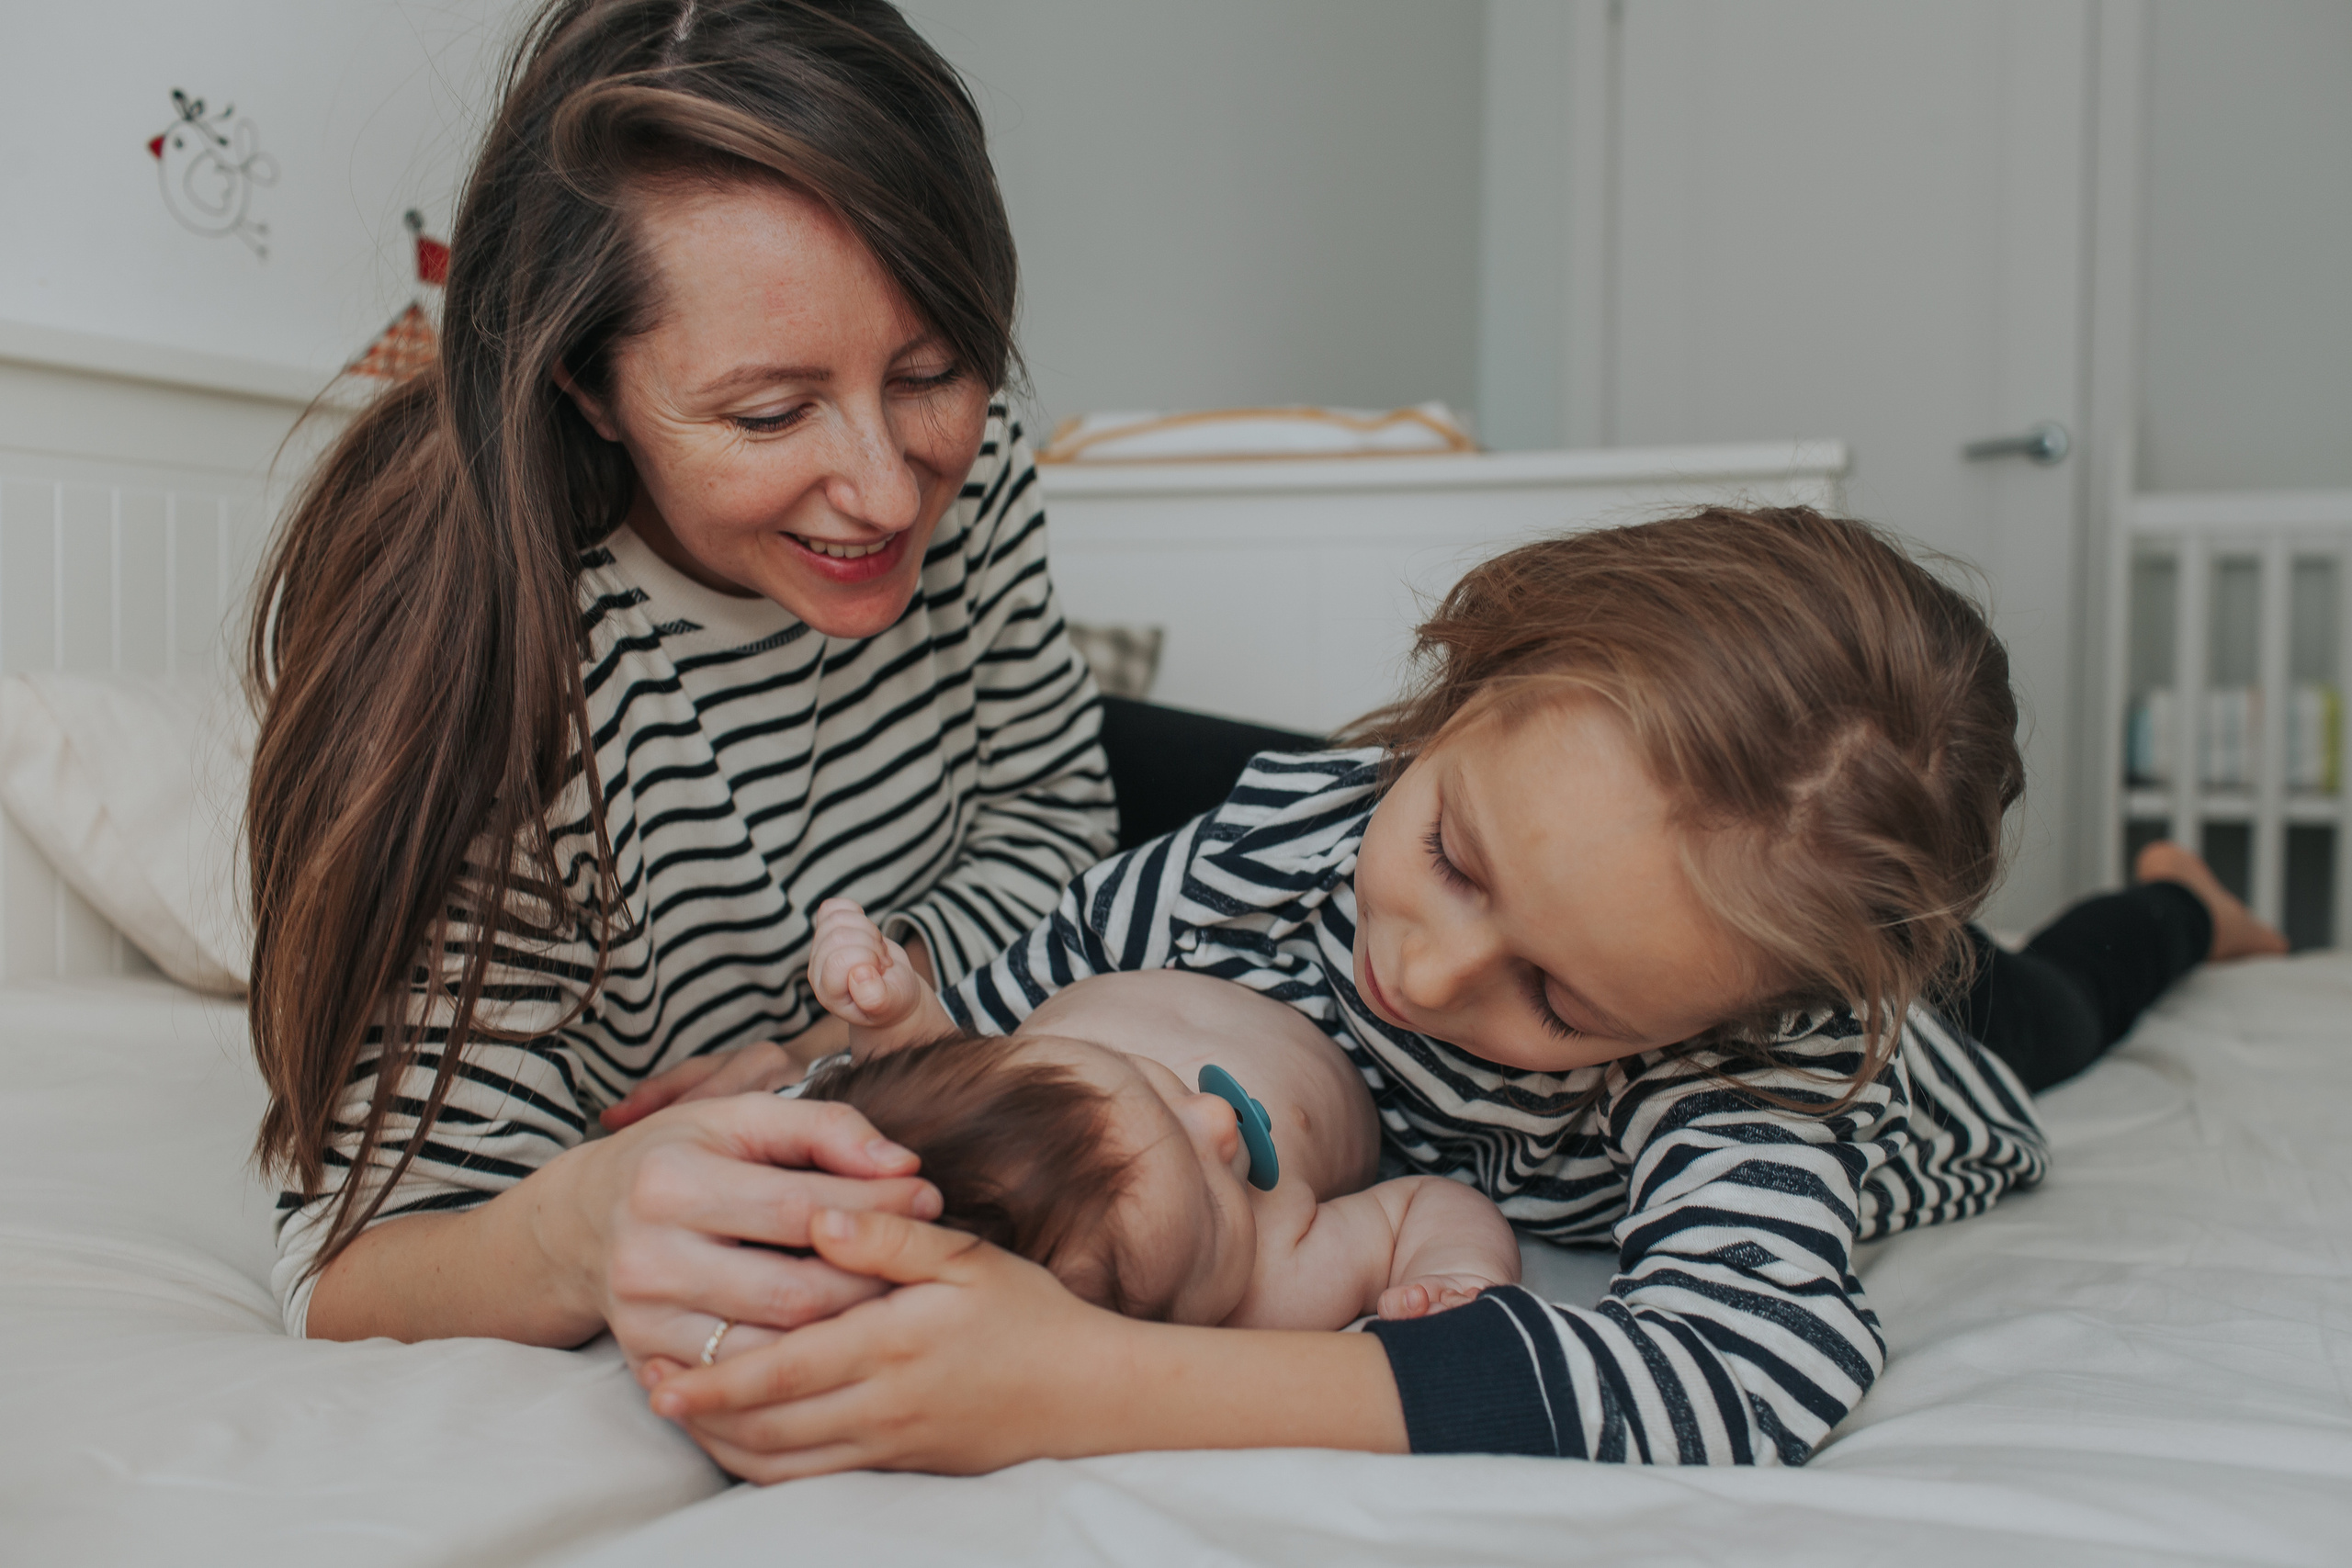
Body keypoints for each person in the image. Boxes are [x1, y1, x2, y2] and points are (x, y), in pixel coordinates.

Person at [635, 505, 2287, 1480]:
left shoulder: (1743, 1065)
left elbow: (1753, 1367)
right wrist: (816, 1082)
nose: (1422, 972)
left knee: (2060, 1006)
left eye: (1559, 1003)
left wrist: (1099, 1383)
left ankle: (2179, 903)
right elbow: (1017, 1002)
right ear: (1458, 691)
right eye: (1454, 853)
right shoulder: (1287, 833)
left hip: (1932, 1058)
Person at [246, 0, 1118, 1392]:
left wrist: (821, 1052)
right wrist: (595, 1216)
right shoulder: (496, 670)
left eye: (932, 370)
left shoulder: (982, 471)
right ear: (589, 384)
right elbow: (361, 1266)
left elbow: (1056, 827)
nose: (891, 489)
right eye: (770, 415)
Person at [797, 899, 1524, 1328]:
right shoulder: (1276, 1285)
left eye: (1147, 1086)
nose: (1216, 1119)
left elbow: (934, 1094)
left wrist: (887, 1008)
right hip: (1354, 1029)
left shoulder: (1002, 1115)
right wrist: (1456, 1274)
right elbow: (1425, 1204)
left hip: (1188, 933)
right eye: (1212, 1206)